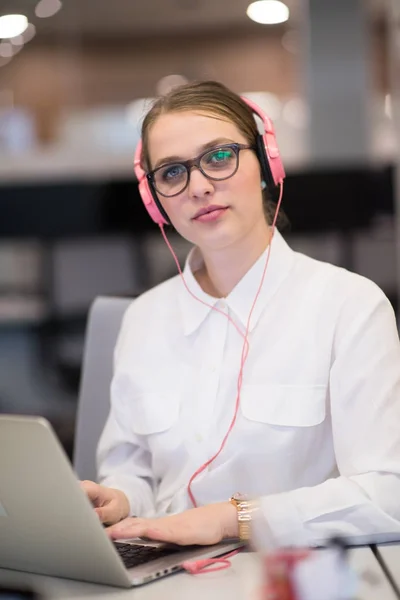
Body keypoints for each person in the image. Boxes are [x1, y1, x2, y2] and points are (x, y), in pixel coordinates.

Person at [81, 80, 400, 549]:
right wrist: (121, 499)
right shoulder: (144, 318)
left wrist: (237, 518)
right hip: (163, 569)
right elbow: (133, 471)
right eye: (172, 172)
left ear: (267, 163)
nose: (200, 187)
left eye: (218, 156)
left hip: (289, 570)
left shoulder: (348, 305)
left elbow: (388, 494)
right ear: (155, 200)